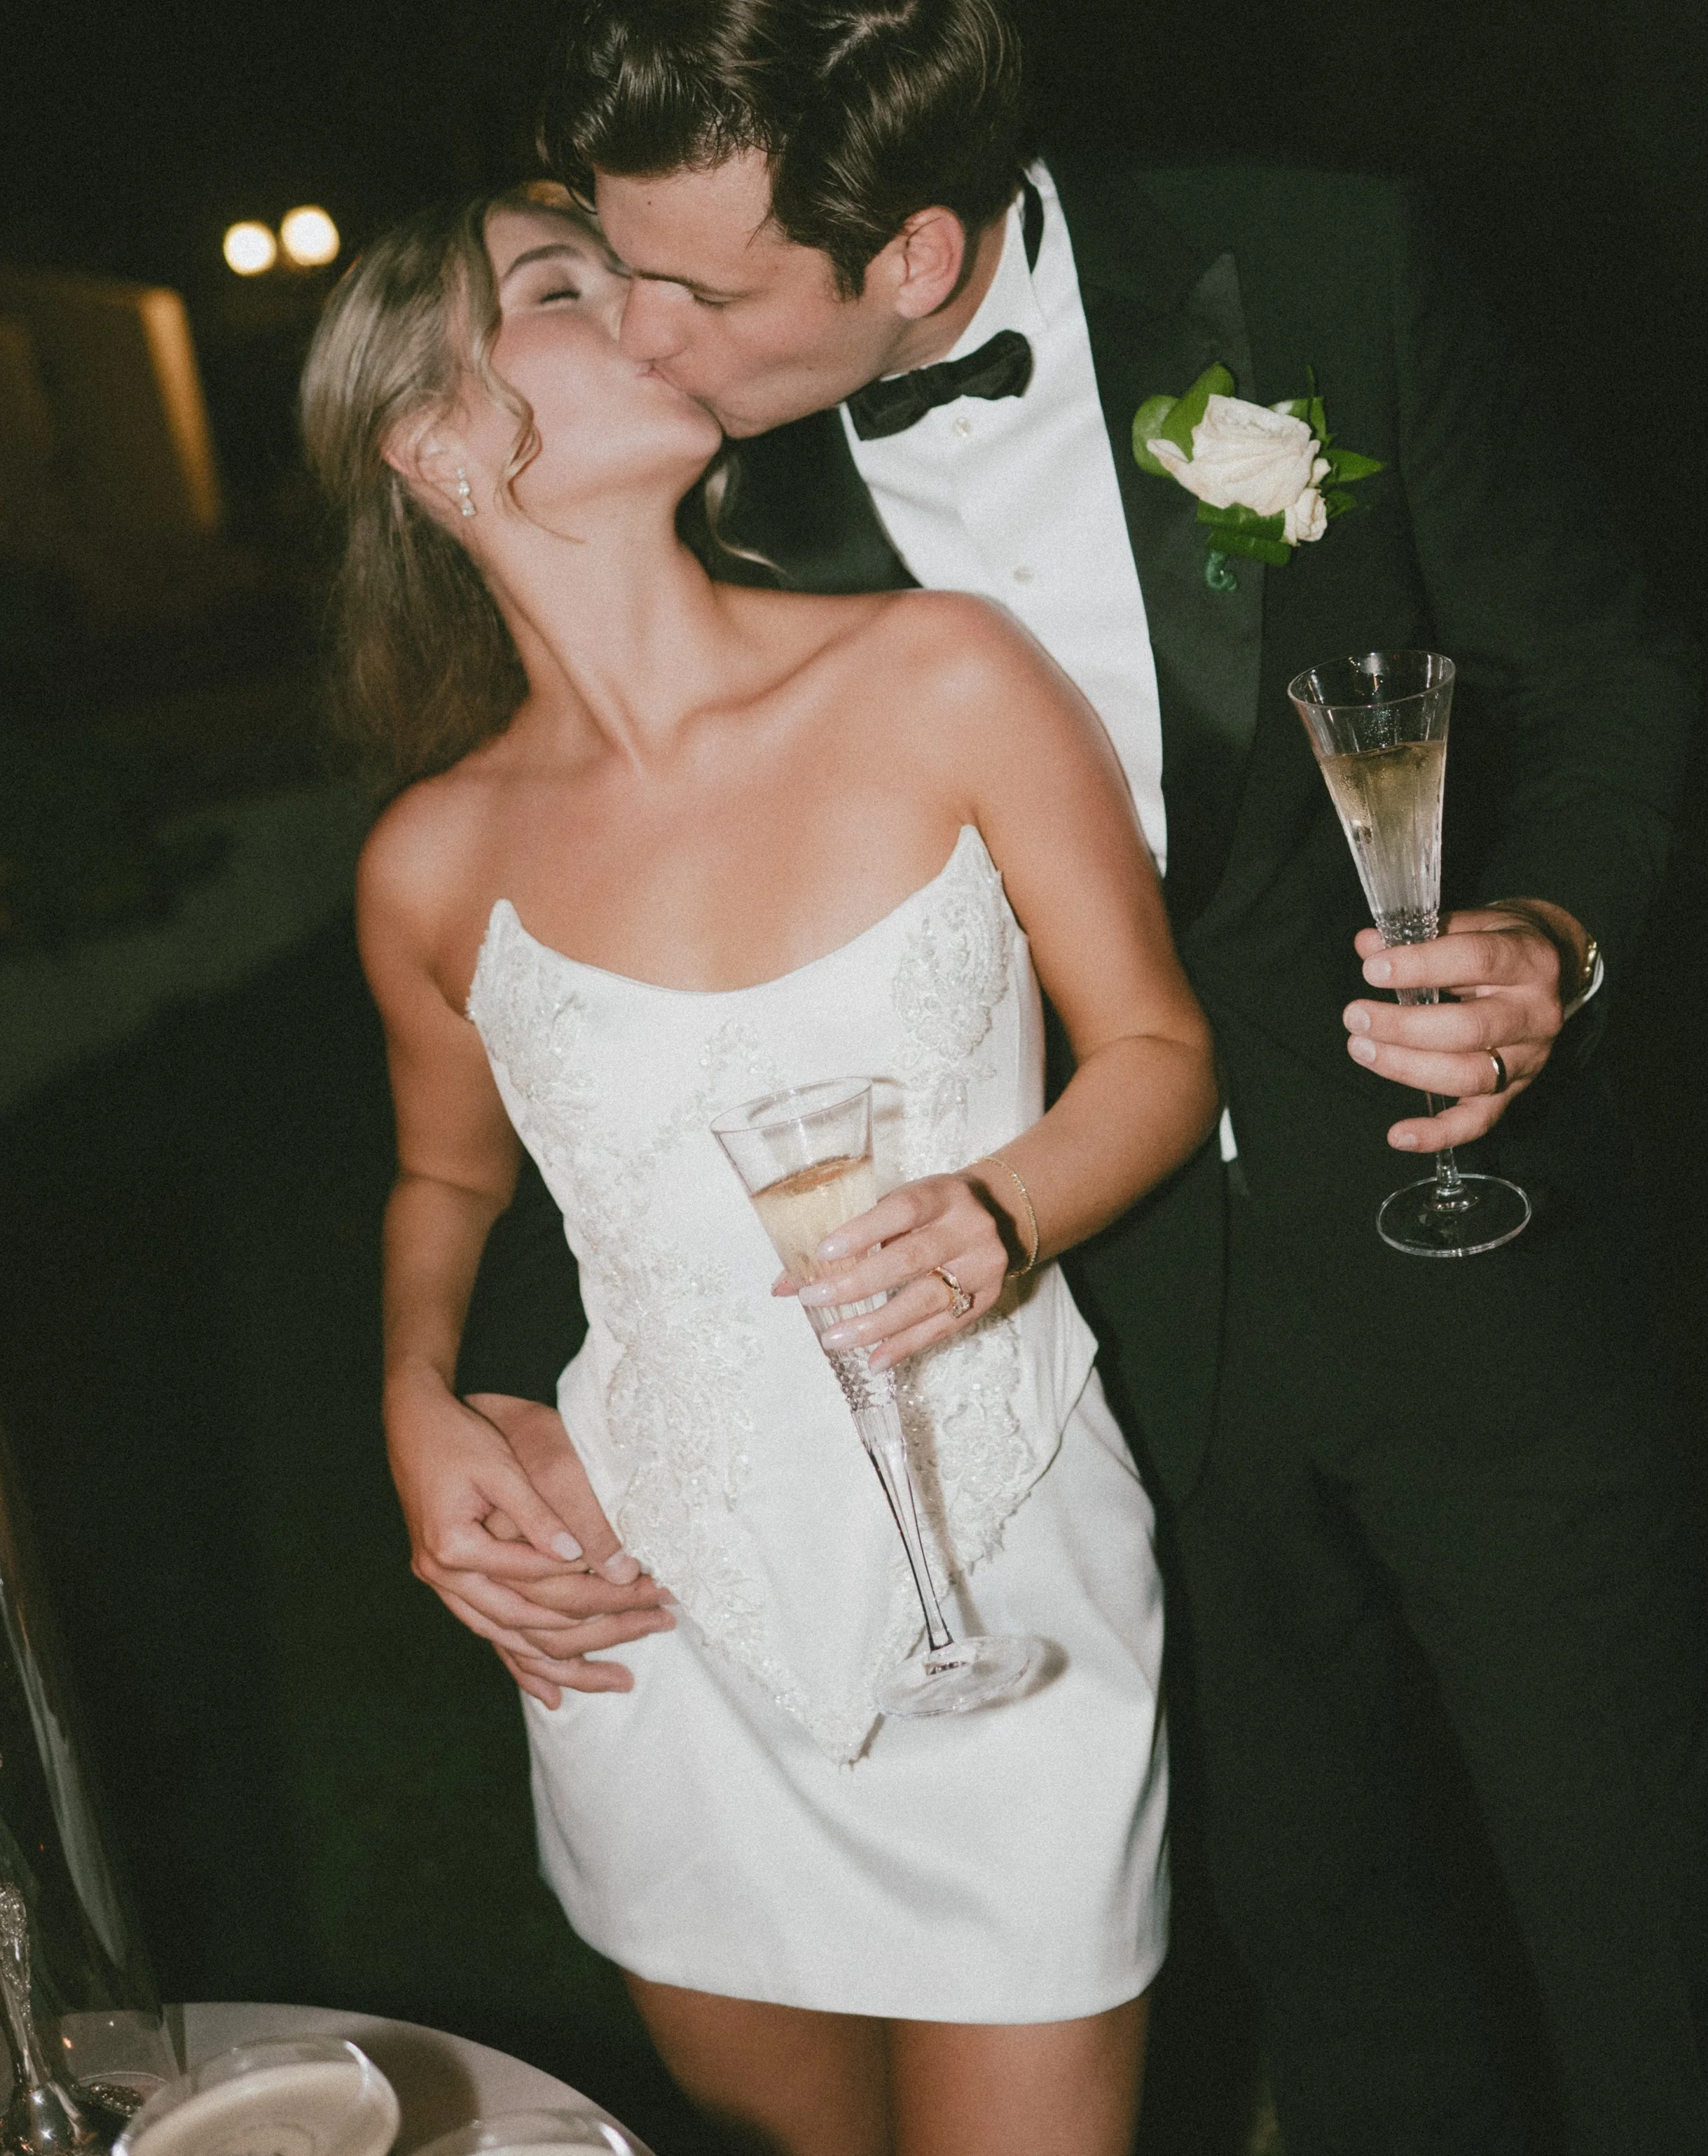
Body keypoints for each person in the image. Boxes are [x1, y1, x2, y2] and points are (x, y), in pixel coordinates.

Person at [403, 0, 1708, 2156]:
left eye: (696, 290)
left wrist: (1557, 931)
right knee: (1327, 1954)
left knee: (1648, 1906)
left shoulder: (1326, 269)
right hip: (1088, 1355)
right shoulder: (699, 477)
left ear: (913, 257)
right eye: (609, 266)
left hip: (1466, 1240)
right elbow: (619, 983)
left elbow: (1609, 663)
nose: (633, 331)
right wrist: (489, 1391)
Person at [302, 187, 1218, 2156]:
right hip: (653, 1613)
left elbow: (1156, 1054)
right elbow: (443, 1183)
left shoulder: (939, 671)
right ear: (433, 440)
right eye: (564, 285)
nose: (649, 305)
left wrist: (1004, 1214)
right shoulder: (432, 860)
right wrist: (413, 1396)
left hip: (1011, 1576)